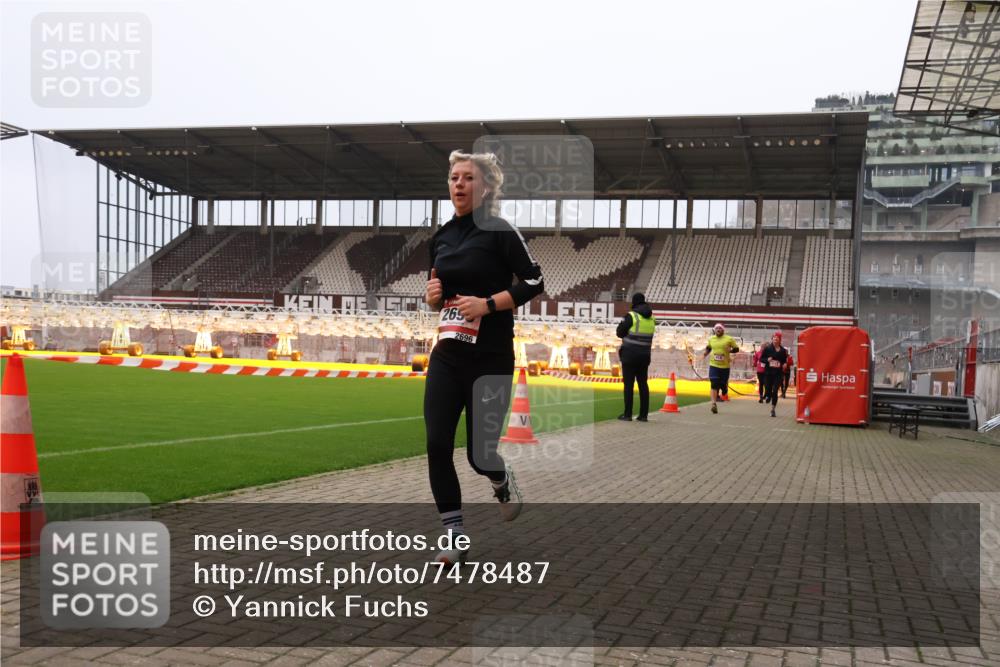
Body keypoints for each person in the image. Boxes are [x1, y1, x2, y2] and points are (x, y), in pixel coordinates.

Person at [424, 150, 545, 566]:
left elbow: (534, 280)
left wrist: (489, 304)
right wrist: (431, 300)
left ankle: (500, 479)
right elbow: (437, 296)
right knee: (437, 444)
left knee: (480, 453)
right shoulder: (439, 237)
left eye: (467, 178)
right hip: (448, 354)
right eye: (453, 177)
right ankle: (454, 536)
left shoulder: (499, 231)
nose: (458, 184)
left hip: (491, 357)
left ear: (486, 187)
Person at [615, 293, 656, 422]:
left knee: (628, 385)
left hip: (630, 356)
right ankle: (643, 415)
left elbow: (619, 333)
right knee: (643, 384)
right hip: (644, 356)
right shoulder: (652, 319)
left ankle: (627, 414)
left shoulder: (631, 316)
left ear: (634, 303)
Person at [703, 323, 739, 414]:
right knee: (714, 383)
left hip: (725, 366)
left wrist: (730, 350)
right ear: (714, 330)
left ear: (723, 330)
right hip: (714, 365)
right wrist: (705, 353)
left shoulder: (729, 339)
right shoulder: (711, 339)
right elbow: (709, 347)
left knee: (723, 385)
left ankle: (724, 391)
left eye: (720, 328)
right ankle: (713, 404)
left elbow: (736, 349)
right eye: (716, 328)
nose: (718, 329)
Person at [760, 331, 790, 417]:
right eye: (774, 338)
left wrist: (784, 364)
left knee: (775, 390)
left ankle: (773, 409)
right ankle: (768, 395)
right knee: (768, 388)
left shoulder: (783, 350)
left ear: (780, 340)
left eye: (777, 338)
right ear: (772, 339)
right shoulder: (767, 348)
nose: (775, 339)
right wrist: (767, 360)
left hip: (778, 374)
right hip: (768, 373)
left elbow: (784, 361)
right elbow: (761, 359)